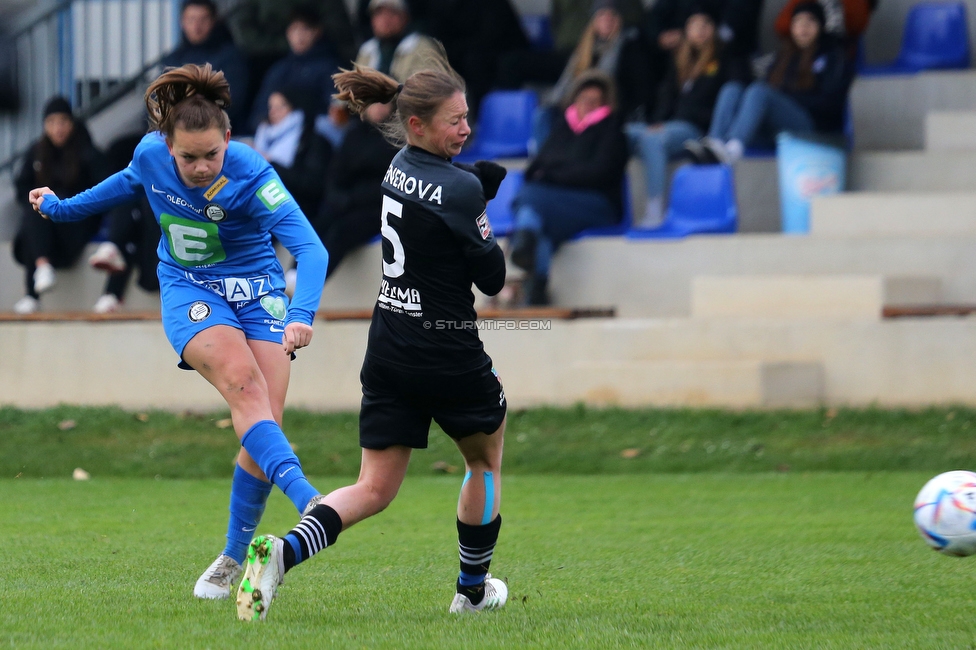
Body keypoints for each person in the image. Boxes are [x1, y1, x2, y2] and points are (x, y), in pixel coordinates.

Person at [28, 63, 330, 601]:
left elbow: (311, 250)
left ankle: (233, 556)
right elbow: (122, 186)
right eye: (186, 156)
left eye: (210, 154)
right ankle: (311, 502)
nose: (198, 166)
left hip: (258, 290)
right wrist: (60, 208)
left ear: (229, 139)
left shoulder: (254, 174)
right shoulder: (149, 155)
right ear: (166, 143)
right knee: (244, 385)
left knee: (263, 422)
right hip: (190, 288)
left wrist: (302, 313)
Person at [233, 55, 511, 622]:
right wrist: (480, 201)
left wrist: (468, 188)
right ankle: (473, 592)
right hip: (446, 347)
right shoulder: (460, 189)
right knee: (483, 463)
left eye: (467, 117)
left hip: (388, 346)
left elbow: (430, 207)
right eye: (454, 121)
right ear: (417, 124)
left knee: (373, 487)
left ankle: (280, 554)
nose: (466, 129)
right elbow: (493, 277)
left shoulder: (397, 165)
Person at [509, 70, 629, 306]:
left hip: (597, 205)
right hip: (556, 204)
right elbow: (533, 170)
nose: (588, 106)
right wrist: (560, 173)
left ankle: (523, 239)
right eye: (583, 100)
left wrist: (555, 174)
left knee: (529, 198)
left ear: (605, 104)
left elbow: (599, 174)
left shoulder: (612, 131)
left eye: (595, 102)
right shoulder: (562, 128)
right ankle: (536, 290)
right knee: (536, 215)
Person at [625, 7, 751, 226]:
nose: (700, 30)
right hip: (669, 126)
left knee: (652, 139)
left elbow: (731, 98)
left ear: (714, 30)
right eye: (694, 25)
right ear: (686, 31)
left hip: (695, 129)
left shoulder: (726, 59)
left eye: (706, 25)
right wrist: (658, 123)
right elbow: (665, 99)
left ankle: (655, 210)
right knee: (623, 132)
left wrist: (662, 128)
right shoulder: (678, 61)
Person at [693, 1, 854, 164]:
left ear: (821, 26)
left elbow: (831, 103)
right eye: (798, 22)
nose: (803, 27)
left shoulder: (833, 56)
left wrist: (788, 98)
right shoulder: (782, 57)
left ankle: (734, 149)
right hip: (776, 131)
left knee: (760, 91)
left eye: (810, 21)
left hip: (811, 127)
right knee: (732, 88)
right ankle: (715, 143)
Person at [11, 96, 107, 314]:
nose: (58, 128)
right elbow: (22, 186)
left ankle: (35, 287)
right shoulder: (37, 151)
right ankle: (41, 271)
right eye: (52, 122)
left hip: (76, 221)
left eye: (63, 121)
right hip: (45, 225)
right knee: (34, 211)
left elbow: (103, 190)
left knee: (36, 216)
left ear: (72, 123)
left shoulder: (87, 152)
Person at [304, 99, 399, 280]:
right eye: (374, 101)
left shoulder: (396, 140)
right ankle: (294, 275)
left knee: (341, 231)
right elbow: (336, 173)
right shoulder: (354, 134)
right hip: (347, 202)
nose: (378, 108)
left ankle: (310, 283)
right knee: (321, 221)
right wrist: (337, 197)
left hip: (378, 209)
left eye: (383, 103)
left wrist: (353, 198)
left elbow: (389, 184)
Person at [533, 0, 648, 148]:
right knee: (543, 115)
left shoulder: (628, 48)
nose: (607, 19)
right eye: (601, 15)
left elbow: (634, 90)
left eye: (611, 15)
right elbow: (564, 85)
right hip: (577, 106)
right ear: (593, 20)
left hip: (610, 110)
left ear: (619, 20)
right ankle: (543, 161)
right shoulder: (583, 51)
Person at [87, 132, 161, 313]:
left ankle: (112, 250)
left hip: (167, 253)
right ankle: (113, 252)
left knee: (136, 199)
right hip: (144, 242)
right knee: (130, 231)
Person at [245, 6, 341, 135]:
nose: (299, 35)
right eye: (294, 29)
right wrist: (269, 119)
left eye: (305, 29)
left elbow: (334, 111)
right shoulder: (279, 69)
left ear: (317, 32)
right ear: (288, 33)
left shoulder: (329, 67)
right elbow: (259, 112)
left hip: (313, 138)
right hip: (277, 136)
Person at [162, 0, 250, 129]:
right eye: (191, 20)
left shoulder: (231, 58)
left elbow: (231, 101)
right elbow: (157, 100)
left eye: (203, 20)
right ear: (182, 22)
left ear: (214, 21)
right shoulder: (172, 60)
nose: (197, 27)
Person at [253, 88, 333, 218]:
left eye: (281, 106)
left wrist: (271, 164)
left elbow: (312, 185)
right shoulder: (263, 134)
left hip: (296, 209)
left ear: (295, 106)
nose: (273, 112)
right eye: (271, 107)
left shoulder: (313, 142)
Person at [354, 0, 441, 82]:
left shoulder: (422, 48)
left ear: (404, 17)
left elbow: (428, 89)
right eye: (379, 13)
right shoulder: (366, 51)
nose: (385, 19)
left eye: (392, 13)